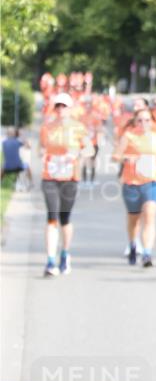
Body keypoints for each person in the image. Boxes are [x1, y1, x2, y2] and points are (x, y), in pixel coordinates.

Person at [39, 92, 92, 276]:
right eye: (58, 106)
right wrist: (44, 154)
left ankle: (65, 253)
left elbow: (90, 149)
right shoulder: (47, 128)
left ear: (70, 109)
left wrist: (76, 154)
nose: (61, 109)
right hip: (50, 176)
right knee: (52, 216)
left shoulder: (79, 128)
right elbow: (41, 147)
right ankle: (50, 260)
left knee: (64, 218)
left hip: (70, 177)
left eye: (64, 106)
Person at [114, 107, 156, 268]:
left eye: (147, 120)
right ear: (135, 122)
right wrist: (127, 158)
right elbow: (115, 156)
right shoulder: (128, 136)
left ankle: (147, 253)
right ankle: (132, 244)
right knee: (134, 220)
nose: (143, 123)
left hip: (152, 181)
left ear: (152, 122)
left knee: (150, 214)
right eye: (140, 120)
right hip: (132, 183)